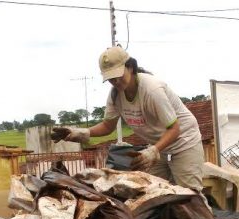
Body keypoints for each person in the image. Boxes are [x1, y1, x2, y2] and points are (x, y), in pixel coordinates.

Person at [53, 46, 204, 192]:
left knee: (188, 195)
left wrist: (152, 151)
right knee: (153, 192)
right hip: (159, 147)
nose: (116, 82)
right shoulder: (115, 95)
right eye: (111, 79)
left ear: (130, 67)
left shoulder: (152, 90)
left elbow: (175, 129)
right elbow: (108, 126)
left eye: (118, 76)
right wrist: (78, 133)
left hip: (183, 141)